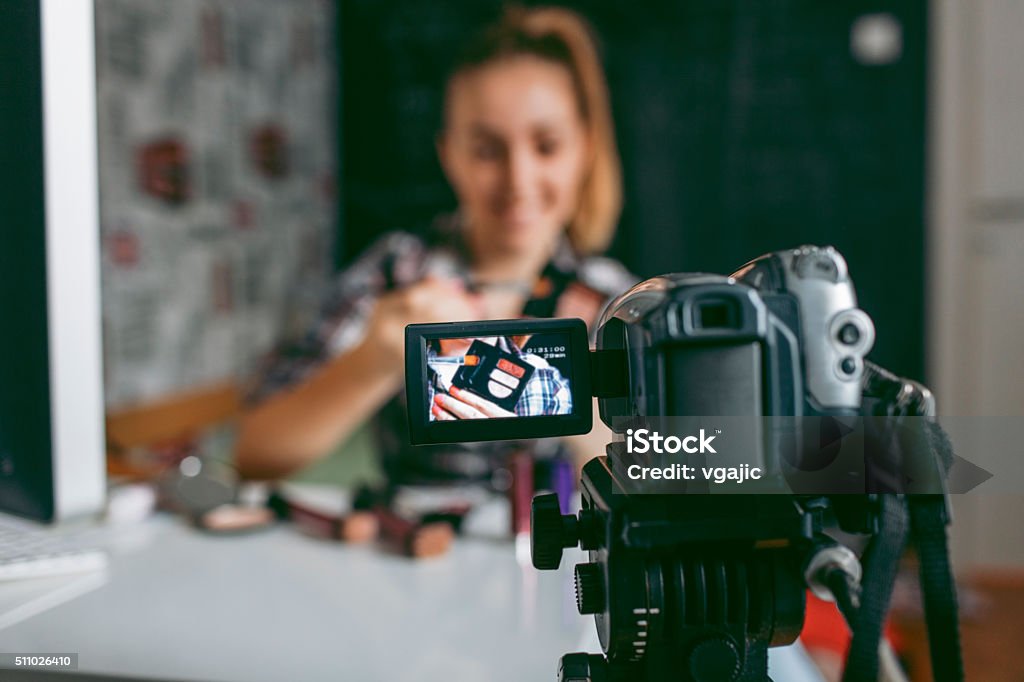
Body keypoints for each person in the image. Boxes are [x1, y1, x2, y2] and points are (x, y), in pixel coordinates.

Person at [235, 6, 636, 483]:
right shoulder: (396, 273)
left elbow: (678, 478)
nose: (518, 180)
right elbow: (255, 452)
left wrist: (579, 396)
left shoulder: (618, 304)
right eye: (487, 150)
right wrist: (375, 358)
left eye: (546, 145)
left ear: (584, 150)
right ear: (449, 155)